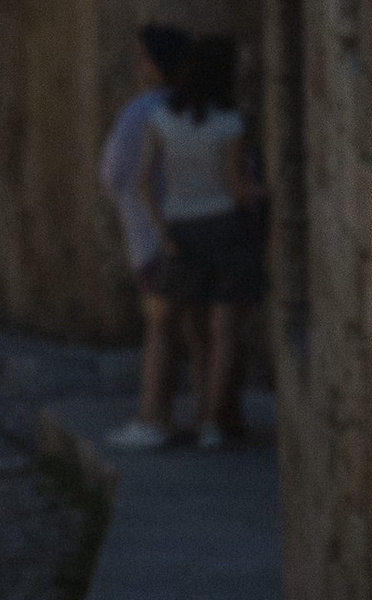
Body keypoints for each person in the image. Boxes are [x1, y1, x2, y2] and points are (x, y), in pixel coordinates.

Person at [123, 34, 266, 454]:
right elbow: (239, 189)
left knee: (179, 324)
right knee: (224, 330)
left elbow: (143, 180)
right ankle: (211, 421)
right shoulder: (232, 122)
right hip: (226, 228)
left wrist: (162, 230)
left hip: (181, 230)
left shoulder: (162, 119)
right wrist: (271, 190)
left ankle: (161, 417)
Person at [104, 23, 194, 450]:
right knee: (201, 329)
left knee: (160, 327)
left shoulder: (140, 113)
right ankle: (211, 416)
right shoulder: (199, 106)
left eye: (143, 57)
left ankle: (153, 418)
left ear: (155, 65)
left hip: (153, 238)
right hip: (201, 231)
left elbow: (115, 175)